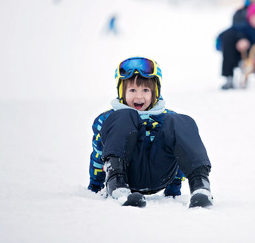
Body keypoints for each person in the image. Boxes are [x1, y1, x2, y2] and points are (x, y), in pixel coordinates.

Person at [87, 56, 213, 208]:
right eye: (132, 90)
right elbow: (98, 153)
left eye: (145, 90)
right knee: (124, 115)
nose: (139, 96)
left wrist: (174, 188)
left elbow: (180, 151)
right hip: (126, 173)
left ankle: (200, 185)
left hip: (160, 174)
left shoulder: (167, 117)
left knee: (181, 120)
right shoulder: (109, 118)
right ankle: (116, 186)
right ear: (122, 91)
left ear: (155, 92)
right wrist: (95, 185)